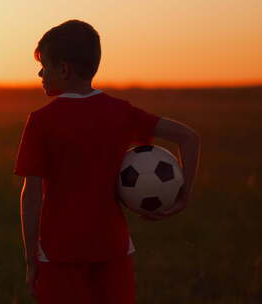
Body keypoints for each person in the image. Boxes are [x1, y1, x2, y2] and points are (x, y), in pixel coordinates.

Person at [13, 19, 201, 303]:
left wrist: (30, 259)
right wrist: (183, 194)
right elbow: (188, 137)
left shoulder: (41, 122)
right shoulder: (120, 112)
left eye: (45, 66)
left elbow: (31, 196)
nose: (40, 73)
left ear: (64, 69)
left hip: (59, 253)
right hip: (114, 250)